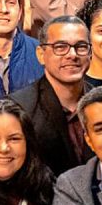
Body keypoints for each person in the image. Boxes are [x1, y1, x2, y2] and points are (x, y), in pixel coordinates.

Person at [9, 15, 95, 177]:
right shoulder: (19, 109)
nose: (72, 55)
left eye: (81, 46)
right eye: (60, 47)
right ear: (41, 54)